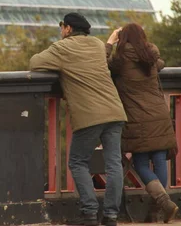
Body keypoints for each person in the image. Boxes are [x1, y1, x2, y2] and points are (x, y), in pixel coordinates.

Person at [30, 13, 127, 226]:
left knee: (77, 161)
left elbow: (35, 63)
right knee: (114, 164)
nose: (61, 30)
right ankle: (111, 216)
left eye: (61, 26)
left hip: (90, 114)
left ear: (68, 28)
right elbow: (105, 59)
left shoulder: (62, 48)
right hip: (115, 110)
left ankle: (89, 213)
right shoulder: (96, 44)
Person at [106, 23, 178, 223]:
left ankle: (164, 203)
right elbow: (160, 63)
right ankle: (156, 212)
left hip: (138, 118)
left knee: (140, 163)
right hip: (160, 115)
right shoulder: (151, 57)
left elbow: (101, 65)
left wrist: (110, 42)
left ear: (123, 39)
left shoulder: (120, 60)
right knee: (160, 159)